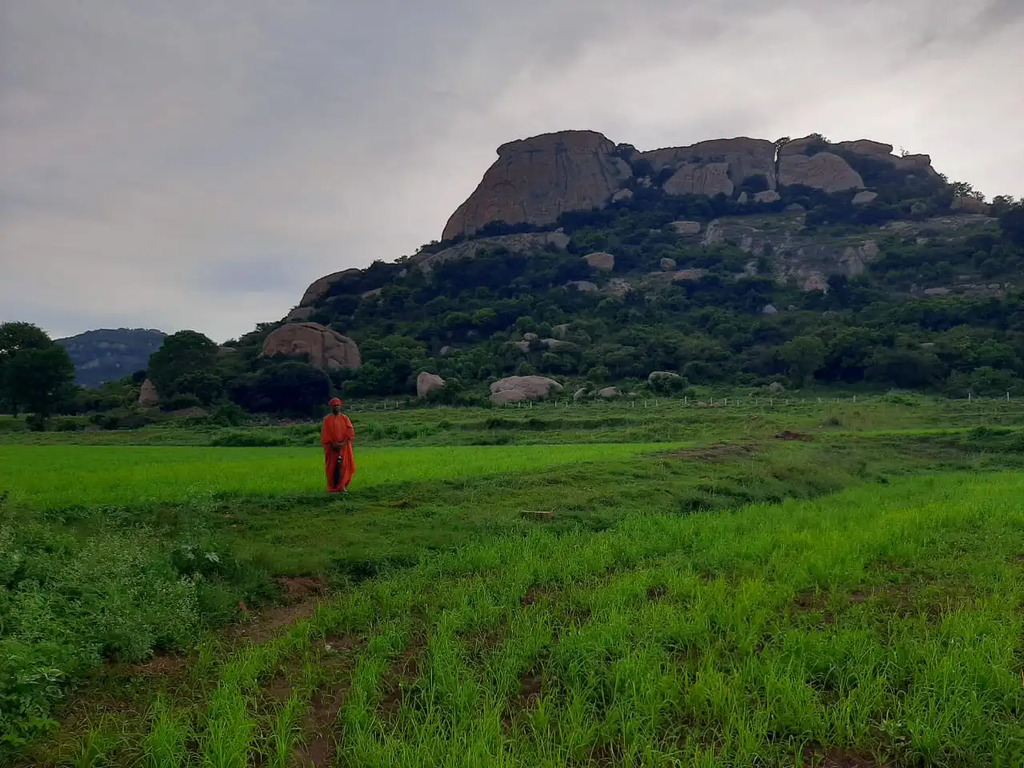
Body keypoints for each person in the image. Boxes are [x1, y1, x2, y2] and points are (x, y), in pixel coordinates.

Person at [320, 397, 355, 493]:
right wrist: (333, 444)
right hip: (331, 448)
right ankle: (332, 487)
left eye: (337, 405)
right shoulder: (327, 420)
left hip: (344, 447)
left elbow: (350, 432)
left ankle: (342, 486)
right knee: (331, 467)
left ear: (340, 406)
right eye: (334, 406)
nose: (336, 407)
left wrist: (343, 443)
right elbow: (325, 434)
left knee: (344, 466)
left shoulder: (345, 418)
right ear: (331, 407)